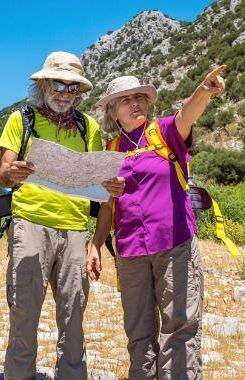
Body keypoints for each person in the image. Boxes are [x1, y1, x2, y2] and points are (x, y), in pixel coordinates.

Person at [86, 66, 226, 379]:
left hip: (175, 244)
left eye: (139, 97)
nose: (135, 103)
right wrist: (95, 245)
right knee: (138, 334)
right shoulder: (109, 151)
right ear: (112, 110)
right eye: (125, 100)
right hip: (130, 252)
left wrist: (203, 89)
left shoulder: (164, 133)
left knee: (179, 329)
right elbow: (106, 209)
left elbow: (186, 117)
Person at [0, 51, 125, 379]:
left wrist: (97, 240)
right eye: (58, 84)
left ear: (79, 92)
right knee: (24, 315)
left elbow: (102, 194)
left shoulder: (89, 128)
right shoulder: (20, 120)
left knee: (74, 321)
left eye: (72, 88)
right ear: (43, 84)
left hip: (75, 232)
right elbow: (1, 177)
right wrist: (13, 173)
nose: (64, 93)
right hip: (30, 224)